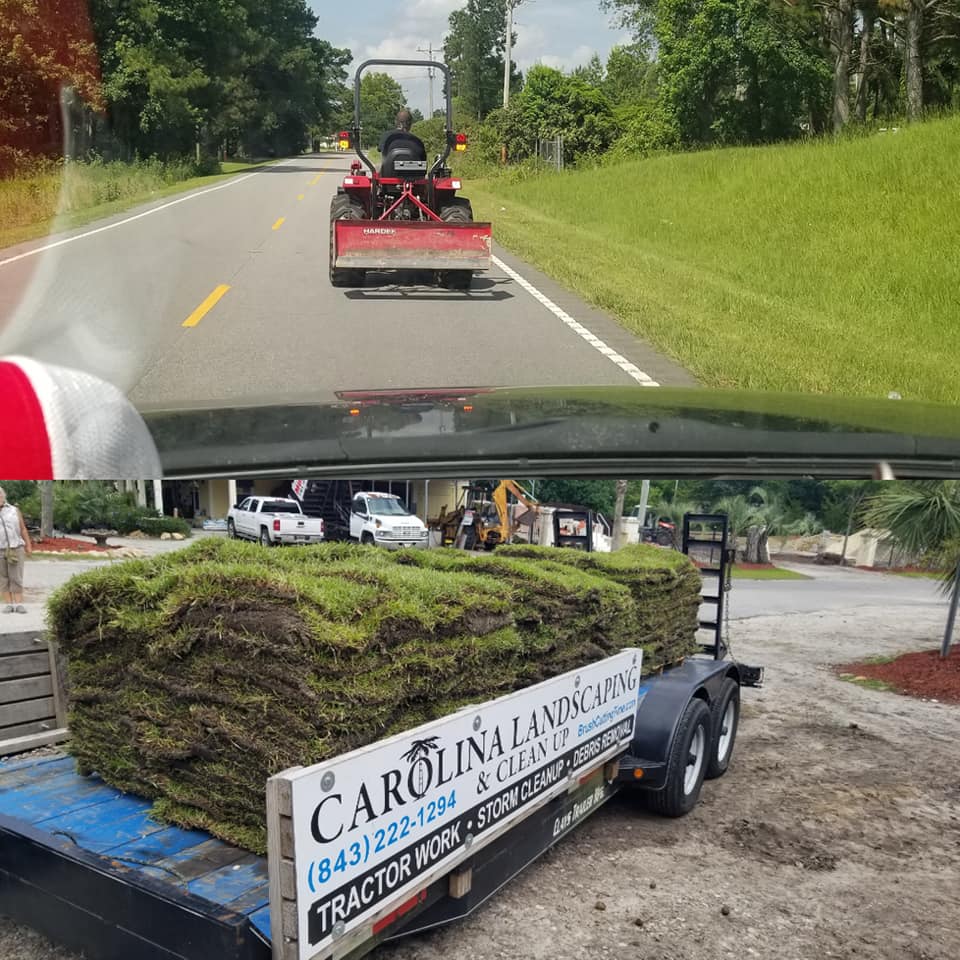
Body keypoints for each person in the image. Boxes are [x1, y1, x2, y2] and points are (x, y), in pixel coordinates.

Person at [0, 486, 32, 614]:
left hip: (15, 548)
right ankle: (8, 604)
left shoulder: (14, 510)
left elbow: (23, 529)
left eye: (0, 495)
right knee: (3, 578)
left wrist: (28, 545)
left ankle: (18, 604)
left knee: (16, 577)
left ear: (4, 496)